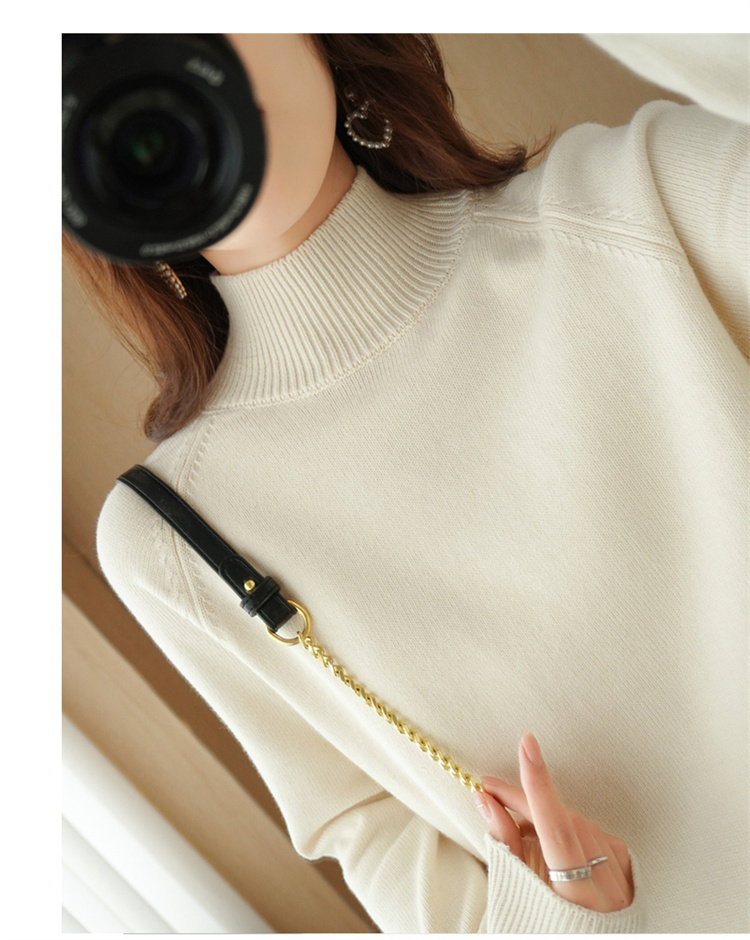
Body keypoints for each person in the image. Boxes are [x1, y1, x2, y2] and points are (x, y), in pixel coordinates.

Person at [63, 34, 749, 932]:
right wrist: (558, 917)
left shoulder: (643, 200)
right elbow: (374, 838)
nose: (181, 71)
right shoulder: (176, 536)